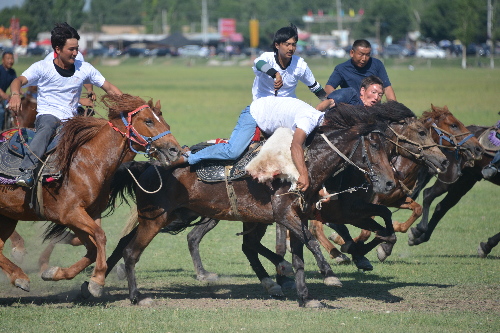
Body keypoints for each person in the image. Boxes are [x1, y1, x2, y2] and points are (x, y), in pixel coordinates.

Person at [9, 22, 122, 188]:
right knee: (48, 127)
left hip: (72, 119)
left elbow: (109, 87)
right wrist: (15, 95)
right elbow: (18, 81)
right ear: (57, 49)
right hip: (48, 116)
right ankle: (27, 170)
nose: (76, 53)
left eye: (77, 48)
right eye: (71, 49)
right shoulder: (42, 67)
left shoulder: (84, 68)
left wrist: (128, 103)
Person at [180, 96, 333, 192]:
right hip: (255, 114)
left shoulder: (318, 114)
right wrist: (303, 175)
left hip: (271, 115)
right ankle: (189, 157)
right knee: (233, 151)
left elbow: (323, 104)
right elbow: (295, 146)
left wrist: (332, 101)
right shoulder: (309, 121)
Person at [252, 23, 326, 101]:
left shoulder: (300, 64)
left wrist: (329, 102)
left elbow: (315, 87)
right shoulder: (267, 57)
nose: (291, 48)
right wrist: (275, 74)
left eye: (293, 45)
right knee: (245, 114)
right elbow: (258, 63)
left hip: (288, 107)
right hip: (262, 105)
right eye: (287, 45)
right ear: (277, 45)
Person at [325, 39, 397, 101]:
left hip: (373, 110)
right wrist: (340, 98)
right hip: (352, 110)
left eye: (367, 55)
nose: (364, 59)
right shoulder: (341, 68)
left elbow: (387, 88)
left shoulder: (377, 64)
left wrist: (394, 109)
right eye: (361, 54)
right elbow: (328, 87)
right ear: (352, 53)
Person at [319, 75, 384, 109]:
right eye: (373, 92)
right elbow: (329, 102)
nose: (376, 97)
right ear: (363, 90)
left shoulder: (375, 113)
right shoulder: (349, 95)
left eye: (380, 95)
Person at [0, 51, 16, 130]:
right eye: (8, 58)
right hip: (1, 97)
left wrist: (19, 91)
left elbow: (15, 84)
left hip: (2, 99)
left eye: (11, 58)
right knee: (1, 111)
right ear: (3, 60)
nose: (10, 61)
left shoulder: (12, 72)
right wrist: (3, 94)